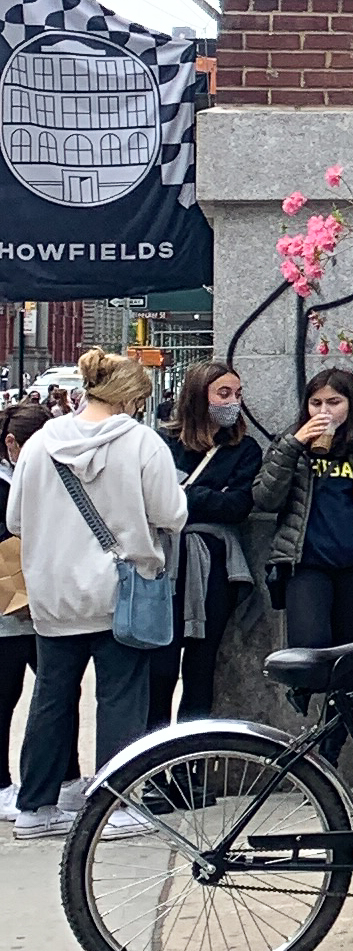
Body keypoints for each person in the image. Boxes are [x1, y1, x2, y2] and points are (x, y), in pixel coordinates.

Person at [8, 351, 186, 840]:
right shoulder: (143, 443)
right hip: (120, 592)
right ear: (131, 397)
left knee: (51, 698)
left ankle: (35, 806)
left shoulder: (41, 442)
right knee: (121, 697)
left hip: (53, 593)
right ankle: (115, 805)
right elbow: (172, 513)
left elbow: (15, 520)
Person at [252, 366, 353, 651]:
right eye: (316, 403)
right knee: (308, 648)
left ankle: (345, 685)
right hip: (306, 563)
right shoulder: (291, 443)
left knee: (350, 652)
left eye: (334, 402)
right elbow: (265, 499)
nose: (324, 411)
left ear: (351, 404)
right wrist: (294, 445)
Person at [152, 362, 265, 722]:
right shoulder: (164, 444)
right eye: (223, 393)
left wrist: (185, 494)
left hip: (214, 567)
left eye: (238, 394)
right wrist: (212, 494)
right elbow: (152, 500)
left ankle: (192, 750)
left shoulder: (244, 449)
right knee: (161, 667)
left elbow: (238, 506)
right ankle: (156, 749)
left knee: (201, 666)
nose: (233, 402)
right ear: (199, 396)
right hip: (165, 564)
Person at [0, 403, 51, 803]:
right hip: (10, 610)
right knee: (5, 697)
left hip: (42, 607)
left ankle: (66, 775)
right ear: (12, 444)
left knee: (56, 695)